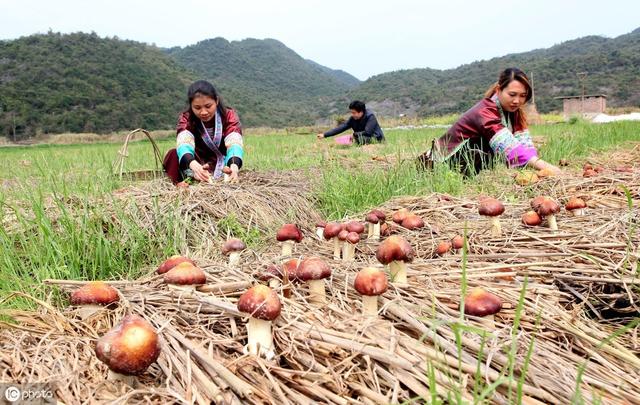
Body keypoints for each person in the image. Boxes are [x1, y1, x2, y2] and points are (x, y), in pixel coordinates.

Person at [418, 68, 560, 177]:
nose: (517, 101)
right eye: (512, 95)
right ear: (498, 90)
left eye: (522, 96)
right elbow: (507, 145)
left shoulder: (514, 112)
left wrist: (538, 166)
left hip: (468, 165)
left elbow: (524, 143)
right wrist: (546, 167)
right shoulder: (484, 111)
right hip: (438, 166)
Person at [163, 80, 244, 184]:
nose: (204, 112)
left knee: (231, 166)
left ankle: (226, 175)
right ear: (191, 106)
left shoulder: (228, 116)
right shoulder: (186, 118)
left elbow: (234, 142)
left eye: (208, 106)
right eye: (197, 108)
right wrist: (193, 164)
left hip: (222, 164)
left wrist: (234, 165)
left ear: (217, 101)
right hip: (194, 163)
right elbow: (184, 143)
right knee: (173, 154)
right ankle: (180, 183)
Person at [317, 100, 385, 145]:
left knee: (361, 139)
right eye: (351, 112)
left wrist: (354, 134)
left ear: (361, 112)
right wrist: (325, 135)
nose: (352, 114)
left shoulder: (370, 117)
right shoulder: (353, 119)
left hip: (376, 139)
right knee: (358, 139)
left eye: (354, 113)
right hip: (362, 138)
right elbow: (341, 128)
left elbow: (368, 132)